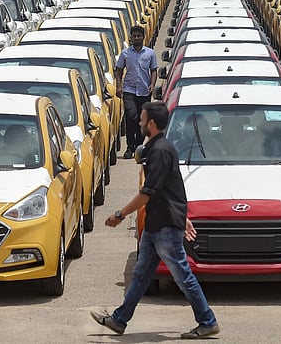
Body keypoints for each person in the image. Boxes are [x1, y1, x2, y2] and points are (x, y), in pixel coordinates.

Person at [91, 102, 219, 340]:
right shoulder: (159, 148)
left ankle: (207, 321)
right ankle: (119, 320)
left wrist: (120, 214)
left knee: (182, 276)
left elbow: (147, 192)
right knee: (141, 275)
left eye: (141, 119)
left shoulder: (160, 151)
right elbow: (174, 189)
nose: (138, 122)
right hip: (156, 225)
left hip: (165, 228)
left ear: (151, 123)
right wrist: (185, 217)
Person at [114, 25, 158, 159]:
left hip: (144, 91)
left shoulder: (150, 53)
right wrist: (119, 86)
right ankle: (129, 146)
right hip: (129, 90)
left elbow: (154, 70)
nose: (136, 38)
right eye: (134, 36)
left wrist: (152, 84)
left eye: (139, 36)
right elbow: (119, 70)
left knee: (142, 120)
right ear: (131, 38)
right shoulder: (125, 53)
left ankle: (139, 146)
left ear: (143, 37)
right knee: (131, 117)